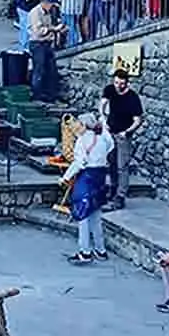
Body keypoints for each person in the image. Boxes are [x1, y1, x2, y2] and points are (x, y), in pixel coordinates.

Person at [61, 113, 112, 266]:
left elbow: (79, 162)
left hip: (87, 177)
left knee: (83, 214)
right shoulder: (102, 139)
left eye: (78, 123)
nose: (75, 126)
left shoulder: (82, 142)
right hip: (101, 178)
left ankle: (85, 251)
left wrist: (65, 177)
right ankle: (100, 249)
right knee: (96, 213)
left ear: (83, 125)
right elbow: (111, 146)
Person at [100, 69, 144, 209]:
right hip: (110, 132)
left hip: (123, 134)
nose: (118, 86)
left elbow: (138, 120)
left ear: (127, 83)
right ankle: (112, 188)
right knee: (111, 163)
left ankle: (121, 195)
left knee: (122, 166)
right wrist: (103, 118)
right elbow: (102, 104)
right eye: (116, 82)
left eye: (121, 83)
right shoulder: (110, 90)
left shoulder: (132, 98)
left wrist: (127, 132)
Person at [26, 0, 62, 101]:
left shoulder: (48, 12)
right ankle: (36, 96)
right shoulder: (35, 13)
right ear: (46, 3)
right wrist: (54, 29)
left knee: (51, 70)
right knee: (39, 70)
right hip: (37, 44)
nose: (53, 8)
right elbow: (39, 31)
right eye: (52, 5)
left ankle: (50, 95)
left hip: (46, 43)